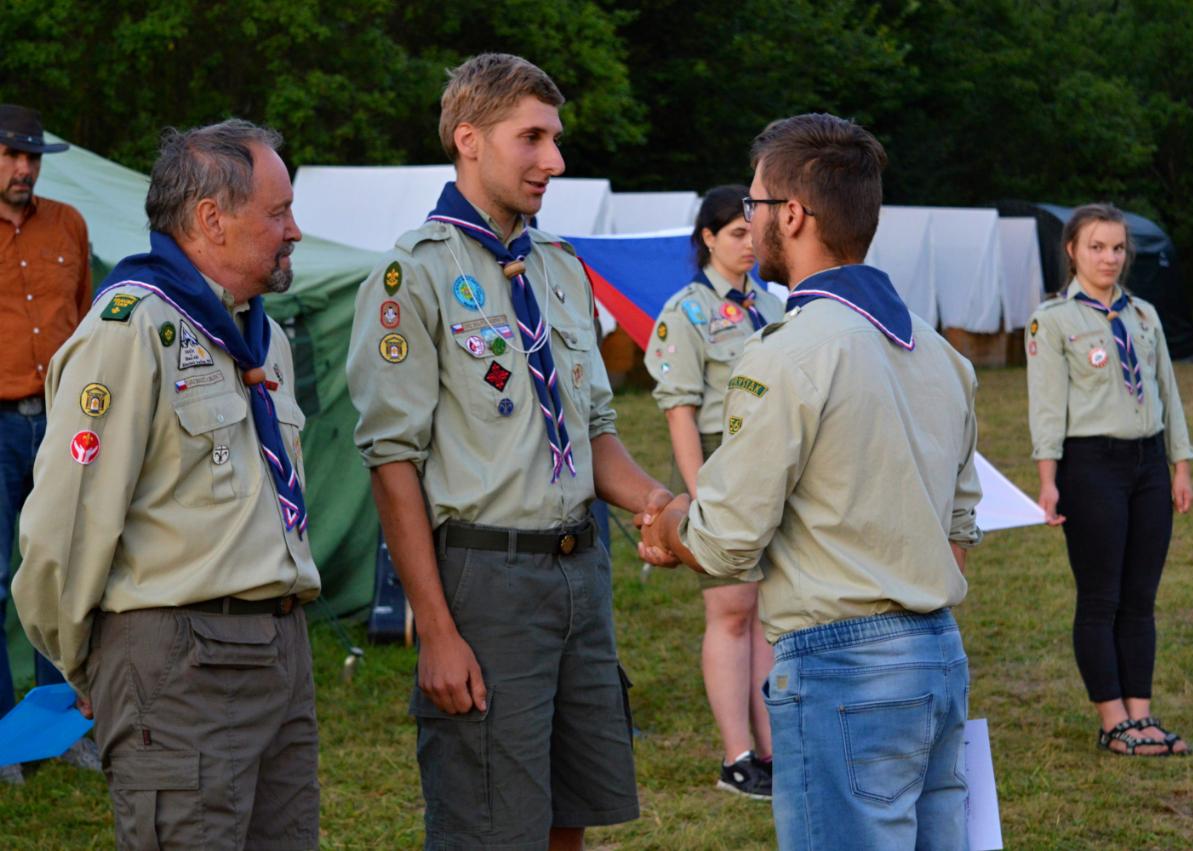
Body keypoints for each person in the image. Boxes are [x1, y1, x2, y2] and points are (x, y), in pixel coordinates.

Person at [346, 53, 672, 851]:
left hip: (580, 571)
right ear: (469, 139)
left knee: (569, 808)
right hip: (486, 580)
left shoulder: (559, 267)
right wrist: (435, 626)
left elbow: (594, 431)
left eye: (554, 139)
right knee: (490, 823)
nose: (553, 160)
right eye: (532, 138)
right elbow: (392, 462)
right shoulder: (413, 274)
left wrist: (660, 504)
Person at [641, 113, 983, 850]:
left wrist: (669, 525)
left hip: (842, 666)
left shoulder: (788, 353)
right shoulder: (940, 353)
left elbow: (727, 541)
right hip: (938, 652)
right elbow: (958, 531)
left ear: (792, 215)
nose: (752, 221)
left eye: (756, 204)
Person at [13, 119, 322, 848]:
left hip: (281, 650)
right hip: (181, 664)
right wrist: (92, 664)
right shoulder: (129, 330)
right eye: (278, 212)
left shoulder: (262, 336)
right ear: (212, 219)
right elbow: (62, 529)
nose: (295, 231)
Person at [1025, 202, 1193, 757]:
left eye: (1118, 248)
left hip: (1148, 465)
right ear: (1072, 251)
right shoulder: (1052, 320)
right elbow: (1046, 408)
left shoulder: (1143, 316)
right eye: (1096, 247)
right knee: (1101, 597)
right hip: (1091, 465)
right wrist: (1048, 480)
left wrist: (1180, 464)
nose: (1109, 258)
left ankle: (1141, 715)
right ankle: (1112, 721)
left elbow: (1168, 392)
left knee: (1141, 598)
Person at [642, 185, 783, 799]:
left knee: (768, 615)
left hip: (772, 473)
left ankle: (776, 749)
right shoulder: (686, 312)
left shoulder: (772, 306)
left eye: (754, 231)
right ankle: (737, 758)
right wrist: (702, 498)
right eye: (736, 233)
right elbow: (680, 413)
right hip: (719, 473)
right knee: (729, 614)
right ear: (708, 238)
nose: (750, 243)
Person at [0, 103, 95, 784]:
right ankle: (7, 740)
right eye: (11, 154)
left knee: (61, 575)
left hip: (61, 422)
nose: (23, 168)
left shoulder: (69, 224)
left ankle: (63, 731)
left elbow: (87, 324)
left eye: (31, 157)